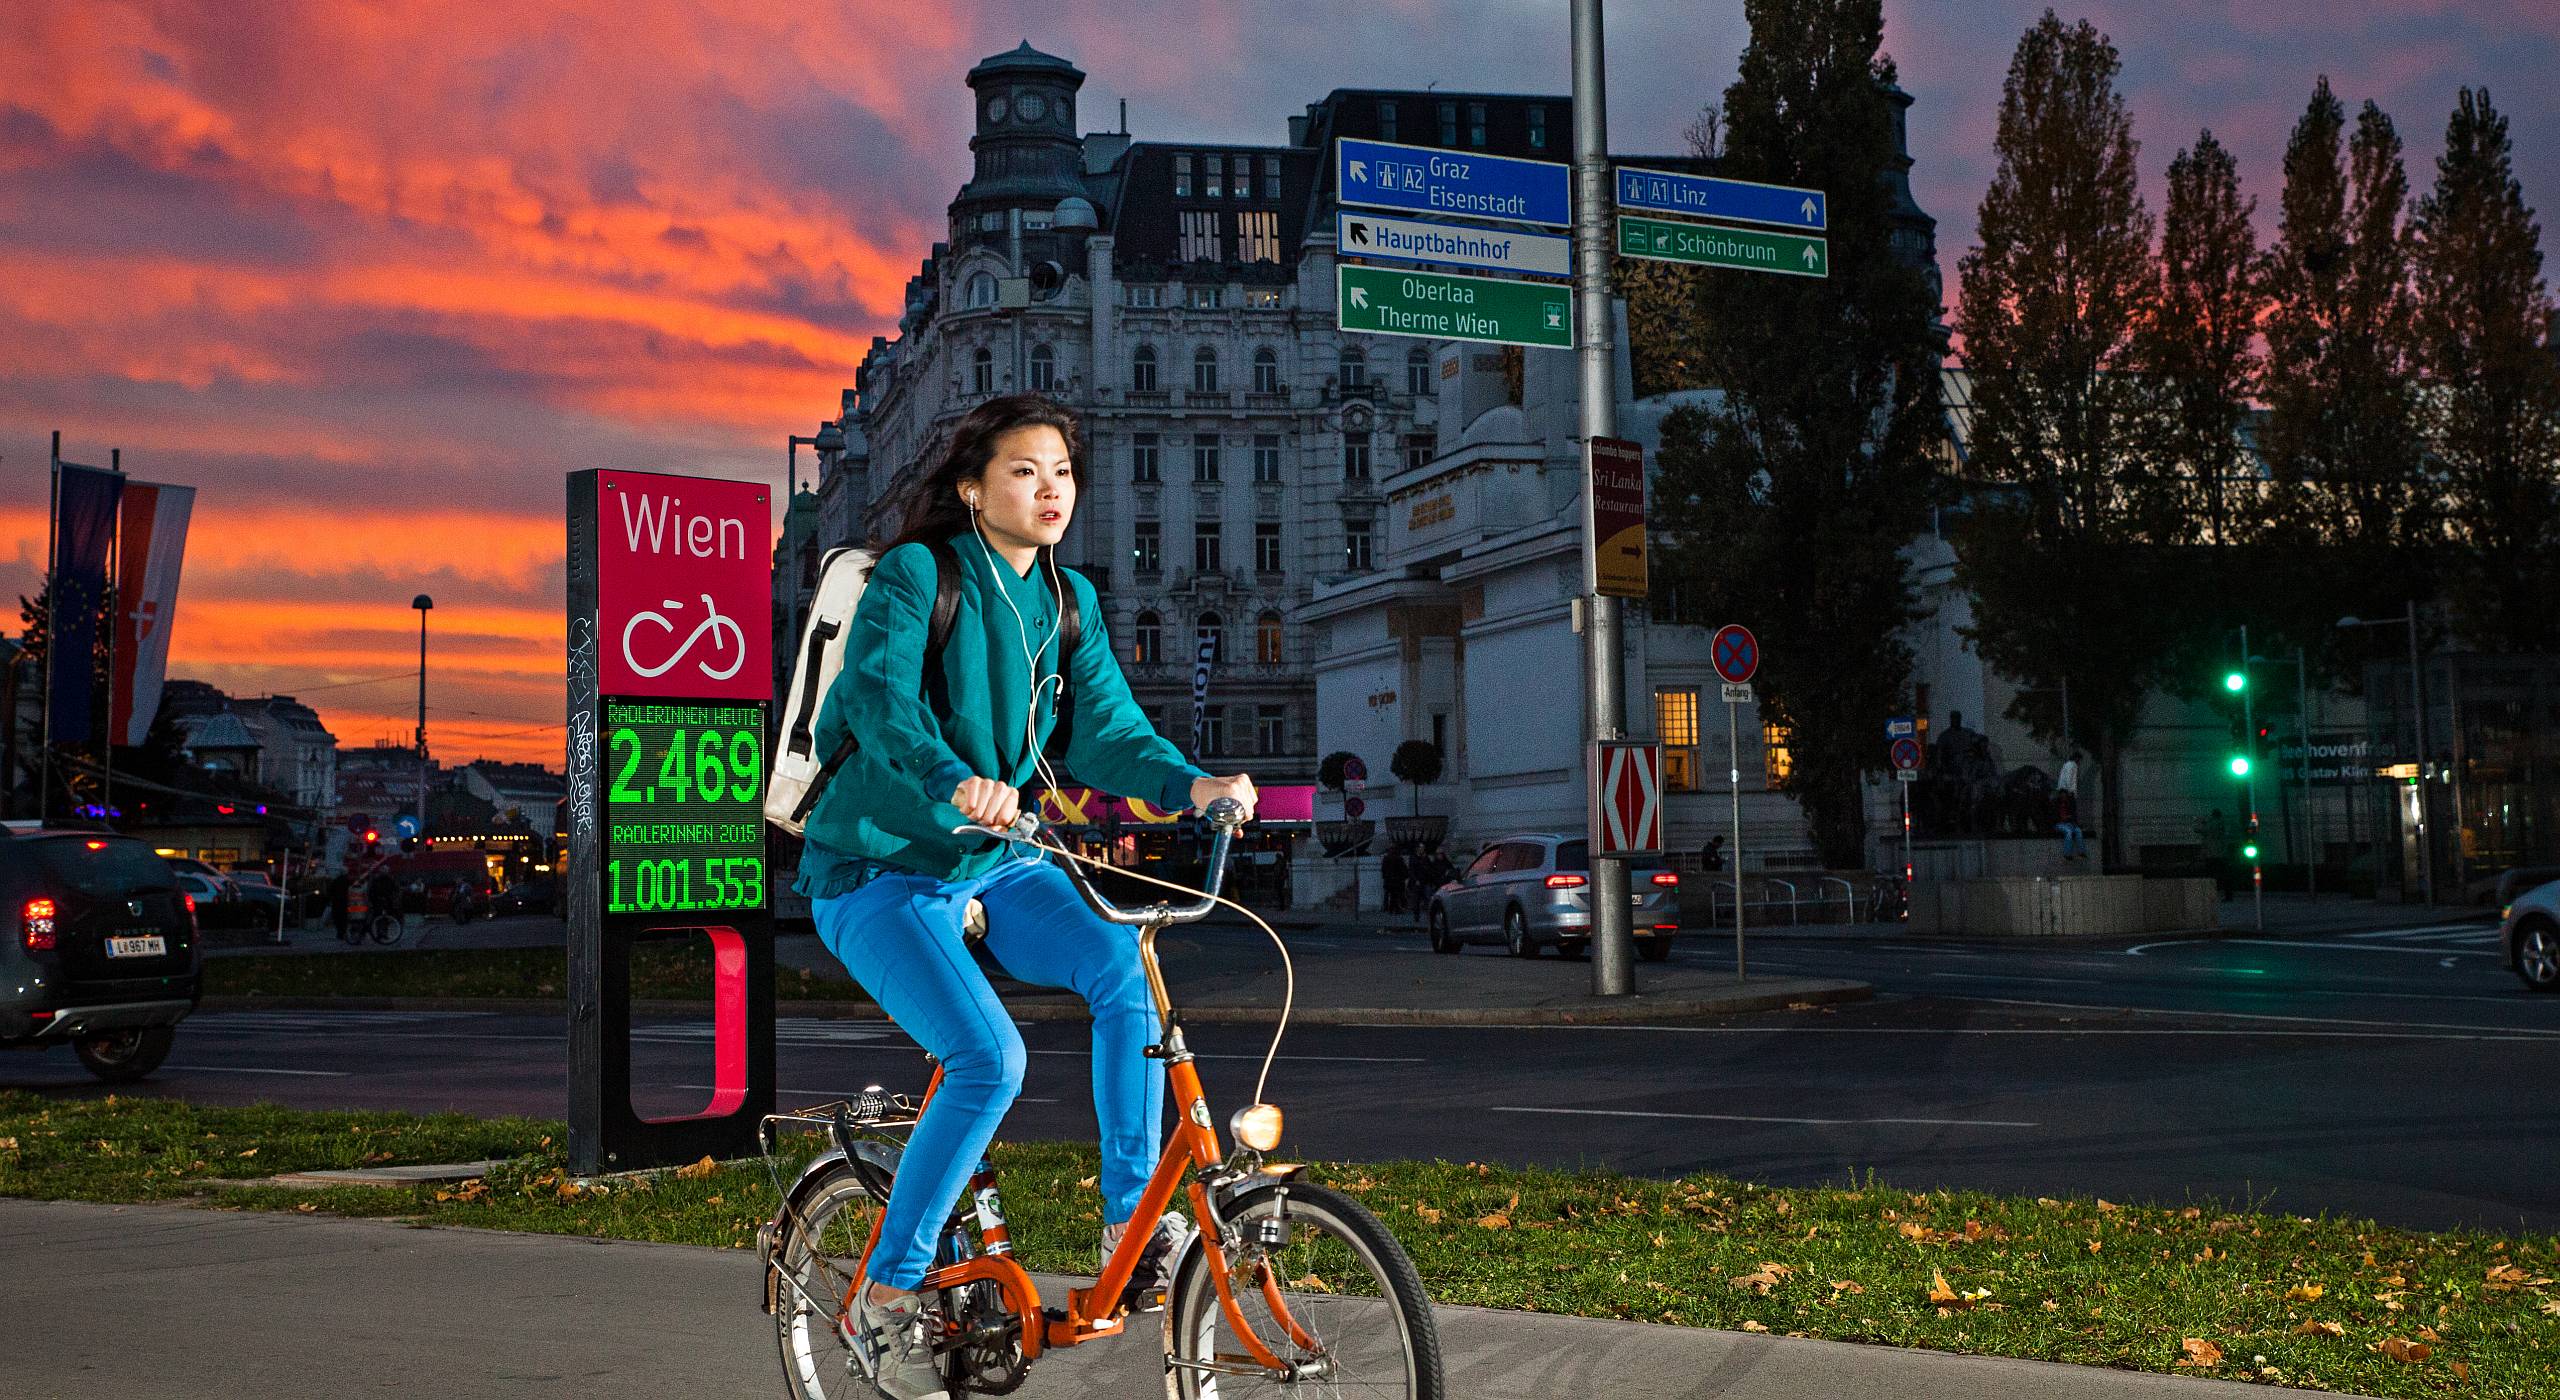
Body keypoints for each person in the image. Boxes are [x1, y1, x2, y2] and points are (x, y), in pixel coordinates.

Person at [796, 394, 1257, 1400]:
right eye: (1022, 470)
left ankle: (1132, 1223)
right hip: (878, 862)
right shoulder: (919, 574)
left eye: (1061, 472)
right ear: (971, 487)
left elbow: (1109, 734)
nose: (1050, 488)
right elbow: (878, 701)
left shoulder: (1070, 600)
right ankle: (885, 1284)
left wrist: (1193, 783)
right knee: (988, 1054)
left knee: (1124, 964)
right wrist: (949, 776)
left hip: (995, 858)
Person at [2054, 750, 2086, 861]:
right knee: (2072, 811)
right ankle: (2078, 852)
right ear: (2077, 759)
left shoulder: (2066, 765)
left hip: (2065, 789)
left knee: (2076, 829)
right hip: (2068, 790)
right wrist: (2070, 791)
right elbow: (2070, 779)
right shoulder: (2073, 765)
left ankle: (2080, 852)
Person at [1381, 841, 1410, 917]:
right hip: (1397, 881)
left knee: (1390, 895)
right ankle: (1395, 909)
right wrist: (1405, 876)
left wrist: (1385, 877)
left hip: (1389, 880)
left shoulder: (1386, 858)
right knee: (1396, 895)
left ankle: (1390, 909)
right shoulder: (1399, 858)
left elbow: (1383, 870)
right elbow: (1403, 869)